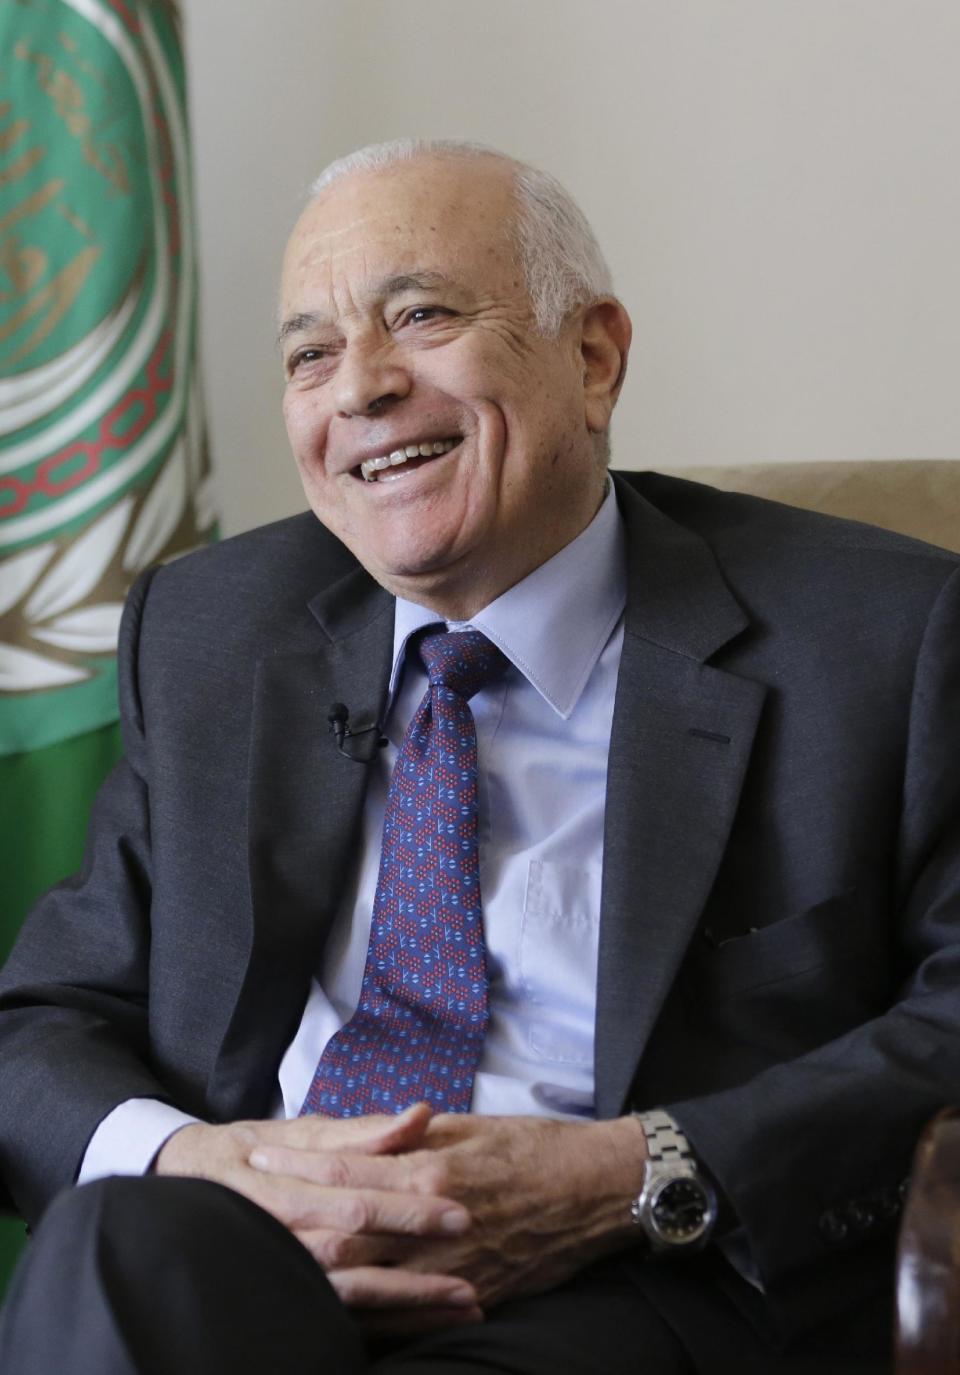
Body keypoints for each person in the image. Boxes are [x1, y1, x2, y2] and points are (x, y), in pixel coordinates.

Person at [0, 138, 957, 1375]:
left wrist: (641, 1167)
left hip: (635, 1279)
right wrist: (195, 1158)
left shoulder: (879, 634)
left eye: (421, 316)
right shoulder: (207, 632)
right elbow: (43, 1019)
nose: (360, 389)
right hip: (247, 1260)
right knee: (115, 1250)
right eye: (309, 355)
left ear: (594, 356)